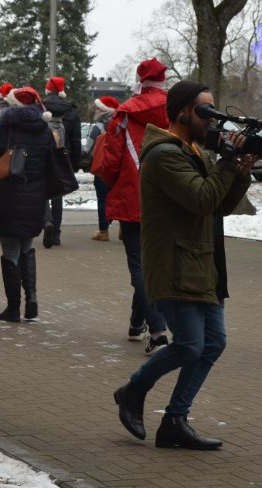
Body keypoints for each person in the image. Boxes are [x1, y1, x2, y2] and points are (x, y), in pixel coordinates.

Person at [112, 80, 255, 451]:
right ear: (182, 113)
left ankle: (175, 420)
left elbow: (219, 205)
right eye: (206, 111)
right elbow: (202, 199)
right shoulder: (164, 155)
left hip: (202, 265)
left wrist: (239, 171)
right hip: (174, 265)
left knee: (213, 343)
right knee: (191, 345)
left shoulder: (194, 151)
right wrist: (226, 163)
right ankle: (133, 390)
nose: (212, 119)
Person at [93, 58, 171, 349]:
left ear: (140, 79)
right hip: (168, 198)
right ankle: (137, 323)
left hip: (133, 194)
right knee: (154, 265)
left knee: (139, 267)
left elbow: (111, 161)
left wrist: (113, 184)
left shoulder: (124, 114)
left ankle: (158, 332)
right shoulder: (178, 110)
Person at [0, 87, 55, 322]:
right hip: (34, 199)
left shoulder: (7, 130)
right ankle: (32, 299)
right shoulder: (44, 131)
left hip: (8, 200)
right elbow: (51, 166)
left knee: (10, 252)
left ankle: (13, 308)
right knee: (27, 249)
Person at [41, 76, 82, 248]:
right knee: (58, 194)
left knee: (43, 191)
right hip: (63, 157)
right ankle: (56, 233)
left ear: (48, 90)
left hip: (43, 155)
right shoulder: (71, 111)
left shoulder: (41, 106)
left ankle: (47, 222)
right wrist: (75, 164)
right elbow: (76, 140)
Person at [88, 96, 120, 241]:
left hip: (102, 167)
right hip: (118, 166)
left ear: (103, 110)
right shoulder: (120, 124)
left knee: (102, 198)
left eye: (98, 108)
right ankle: (124, 229)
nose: (96, 110)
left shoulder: (98, 127)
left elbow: (88, 147)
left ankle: (103, 231)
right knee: (118, 197)